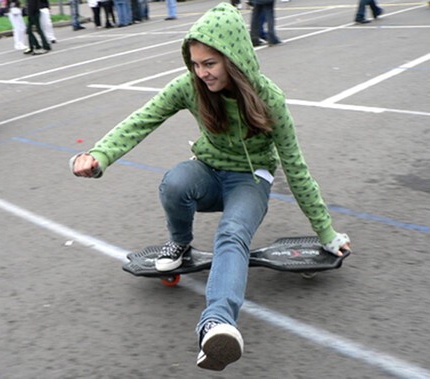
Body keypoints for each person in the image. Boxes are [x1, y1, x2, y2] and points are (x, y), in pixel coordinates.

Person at [70, 3, 350, 371]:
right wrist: (100, 155)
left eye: (210, 64)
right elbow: (143, 119)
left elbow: (296, 169)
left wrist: (325, 232)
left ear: (233, 59)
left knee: (232, 233)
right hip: (209, 171)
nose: (201, 73)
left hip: (251, 181)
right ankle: (180, 242)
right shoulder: (190, 87)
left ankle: (216, 323)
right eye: (195, 64)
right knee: (175, 183)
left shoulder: (269, 99)